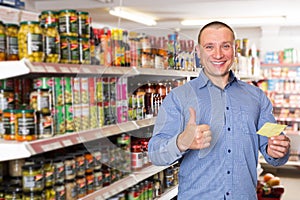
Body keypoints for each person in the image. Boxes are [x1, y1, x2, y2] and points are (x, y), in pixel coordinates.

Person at [148, 21, 290, 199]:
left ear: (235, 50)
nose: (218, 54)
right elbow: (154, 153)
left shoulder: (257, 97)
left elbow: (272, 149)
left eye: (225, 46)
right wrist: (181, 142)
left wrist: (278, 150)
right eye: (209, 47)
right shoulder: (179, 97)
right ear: (198, 52)